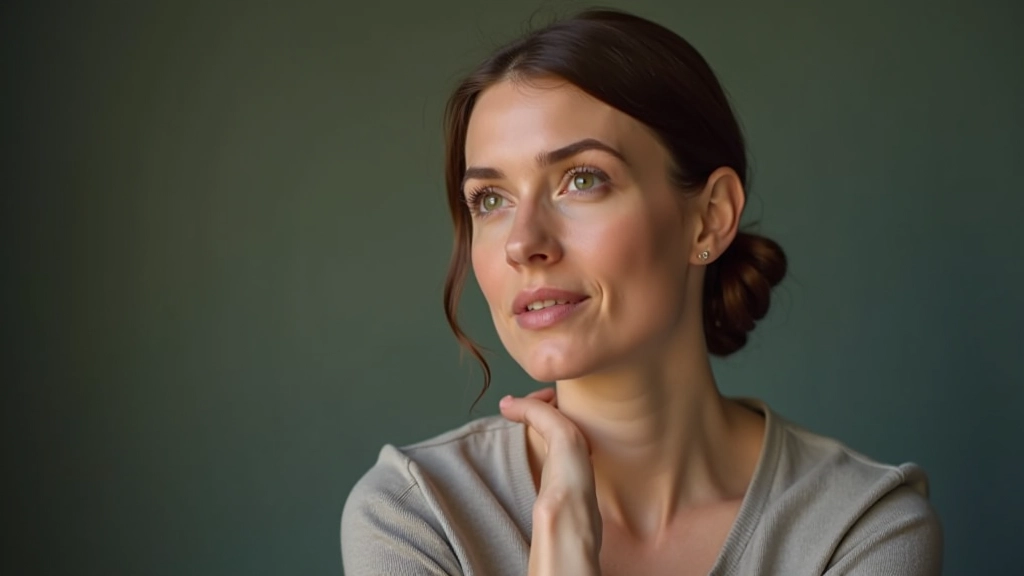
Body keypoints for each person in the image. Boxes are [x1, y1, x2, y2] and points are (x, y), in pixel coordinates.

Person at [341, 8, 943, 575]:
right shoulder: (417, 515)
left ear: (708, 218)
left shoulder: (859, 527)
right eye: (490, 200)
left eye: (582, 180)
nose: (523, 243)